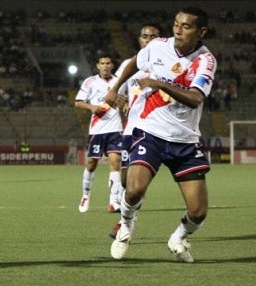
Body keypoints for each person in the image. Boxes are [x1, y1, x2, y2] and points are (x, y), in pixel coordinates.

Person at [106, 6, 217, 263]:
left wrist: (159, 83)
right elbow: (135, 61)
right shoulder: (158, 46)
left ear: (201, 32)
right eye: (176, 23)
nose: (177, 29)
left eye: (186, 26)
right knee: (133, 190)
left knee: (198, 212)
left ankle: (178, 238)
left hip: (185, 140)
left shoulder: (205, 61)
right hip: (151, 130)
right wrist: (114, 88)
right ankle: (126, 226)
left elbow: (195, 98)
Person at [108, 23, 162, 238]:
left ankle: (125, 225)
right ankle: (128, 219)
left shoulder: (166, 63)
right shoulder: (129, 65)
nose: (148, 39)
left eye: (153, 36)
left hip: (155, 130)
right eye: (144, 36)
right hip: (131, 129)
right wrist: (118, 99)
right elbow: (114, 95)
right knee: (124, 180)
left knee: (137, 181)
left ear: (160, 39)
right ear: (139, 39)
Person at [75, 53, 123, 213]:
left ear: (112, 65)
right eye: (102, 63)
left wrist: (126, 102)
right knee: (91, 163)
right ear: (97, 66)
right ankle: (85, 195)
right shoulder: (90, 82)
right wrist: (91, 107)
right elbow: (77, 102)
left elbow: (125, 98)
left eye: (108, 63)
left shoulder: (119, 81)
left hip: (115, 129)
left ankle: (114, 201)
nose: (105, 66)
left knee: (116, 162)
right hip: (97, 130)